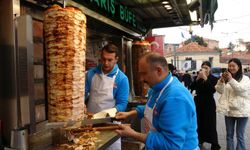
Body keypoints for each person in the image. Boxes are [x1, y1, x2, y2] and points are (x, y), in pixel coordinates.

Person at [115, 52, 199, 149]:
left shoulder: (175, 98)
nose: (141, 79)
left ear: (158, 71)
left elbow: (170, 145)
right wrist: (130, 113)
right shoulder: (155, 88)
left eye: (144, 73)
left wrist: (133, 134)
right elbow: (153, 109)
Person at [85, 43, 129, 150]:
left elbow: (122, 104)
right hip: (90, 123)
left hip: (110, 124)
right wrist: (81, 105)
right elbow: (83, 93)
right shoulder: (91, 74)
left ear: (116, 59)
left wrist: (107, 113)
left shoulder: (122, 79)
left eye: (110, 60)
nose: (106, 63)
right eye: (104, 59)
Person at [215, 58, 250, 150]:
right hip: (229, 110)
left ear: (239, 67)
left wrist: (230, 80)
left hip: (242, 111)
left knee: (240, 135)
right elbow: (219, 91)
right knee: (229, 135)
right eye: (229, 66)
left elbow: (241, 91)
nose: (231, 68)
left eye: (233, 66)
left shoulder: (245, 79)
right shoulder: (226, 78)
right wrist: (221, 81)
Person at [189, 61, 221, 150]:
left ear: (210, 69)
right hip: (198, 103)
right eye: (203, 67)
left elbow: (212, 90)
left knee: (210, 123)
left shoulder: (213, 78)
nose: (204, 69)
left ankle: (214, 144)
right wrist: (196, 80)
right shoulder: (197, 77)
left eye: (206, 68)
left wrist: (205, 79)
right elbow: (191, 87)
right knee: (199, 122)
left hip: (209, 103)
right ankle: (200, 140)